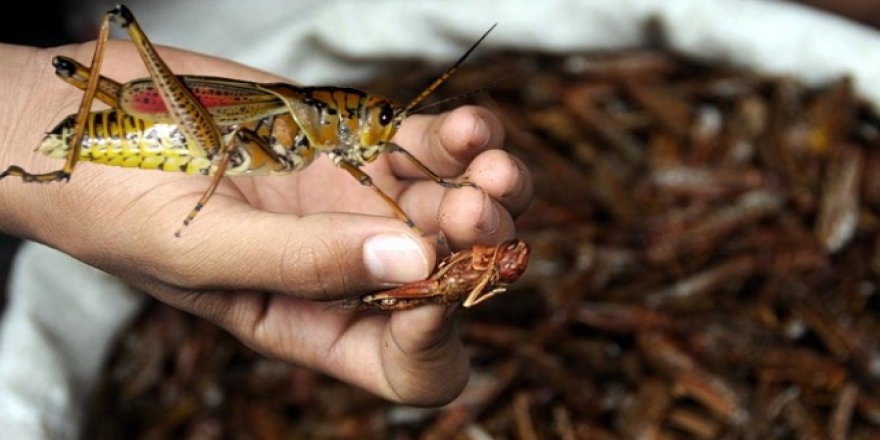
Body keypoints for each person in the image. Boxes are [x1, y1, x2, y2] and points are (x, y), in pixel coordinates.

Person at [0, 40, 533, 406]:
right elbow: (230, 141)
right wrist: (19, 114)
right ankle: (60, 158)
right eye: (378, 120)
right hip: (175, 133)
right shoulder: (298, 117)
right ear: (344, 114)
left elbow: (379, 158)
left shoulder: (341, 139)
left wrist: (441, 187)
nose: (383, 133)